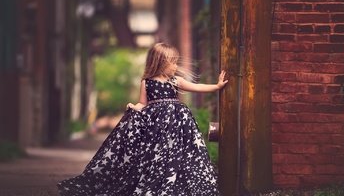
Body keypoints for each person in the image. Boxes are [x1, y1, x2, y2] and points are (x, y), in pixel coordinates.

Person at [57, 42, 228, 195]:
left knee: (178, 153)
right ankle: (156, 177)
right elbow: (142, 104)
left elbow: (197, 87)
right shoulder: (146, 82)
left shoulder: (176, 81)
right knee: (157, 154)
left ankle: (177, 180)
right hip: (156, 128)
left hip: (177, 124)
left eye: (176, 62)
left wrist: (217, 86)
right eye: (172, 62)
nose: (175, 66)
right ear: (160, 62)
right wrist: (134, 106)